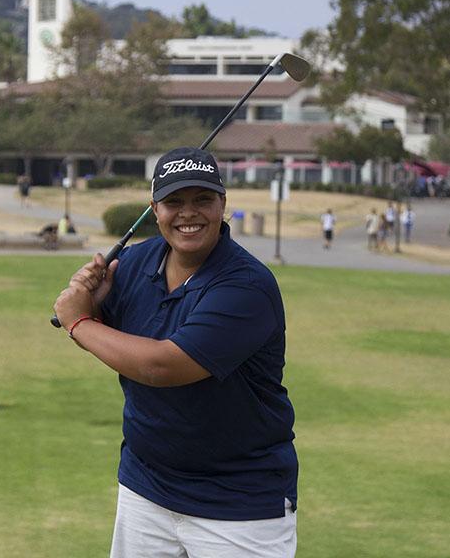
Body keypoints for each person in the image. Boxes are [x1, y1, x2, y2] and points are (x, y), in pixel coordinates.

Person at [53, 147, 298, 557]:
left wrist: (79, 321)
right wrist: (93, 305)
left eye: (203, 199)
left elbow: (160, 366)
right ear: (154, 209)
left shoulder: (247, 287)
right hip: (145, 488)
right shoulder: (132, 263)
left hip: (238, 504)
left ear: (223, 204)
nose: (189, 213)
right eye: (174, 202)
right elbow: (118, 344)